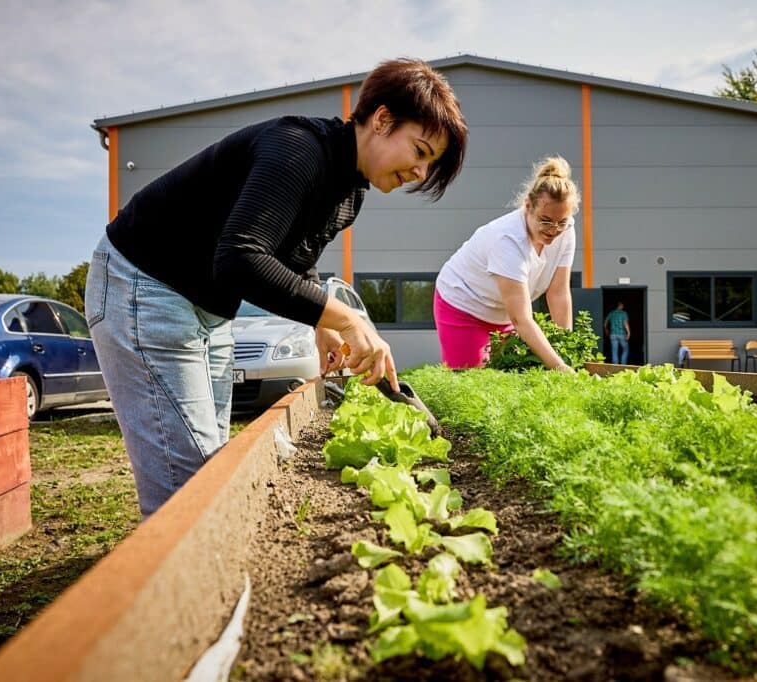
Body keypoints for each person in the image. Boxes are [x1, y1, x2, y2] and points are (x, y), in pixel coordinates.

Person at [84, 58, 467, 518]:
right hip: (144, 287)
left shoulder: (349, 193)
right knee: (188, 493)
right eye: (420, 152)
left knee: (209, 470)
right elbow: (241, 259)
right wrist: (347, 317)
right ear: (382, 120)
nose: (420, 173)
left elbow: (296, 258)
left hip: (206, 309)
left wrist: (320, 327)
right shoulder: (298, 150)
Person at [434, 156, 579, 371]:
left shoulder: (565, 232)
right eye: (545, 220)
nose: (553, 229)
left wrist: (565, 350)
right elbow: (521, 319)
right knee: (472, 382)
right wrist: (559, 367)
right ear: (528, 207)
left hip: (503, 312)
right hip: (463, 304)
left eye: (561, 222)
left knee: (513, 374)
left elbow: (558, 293)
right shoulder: (508, 241)